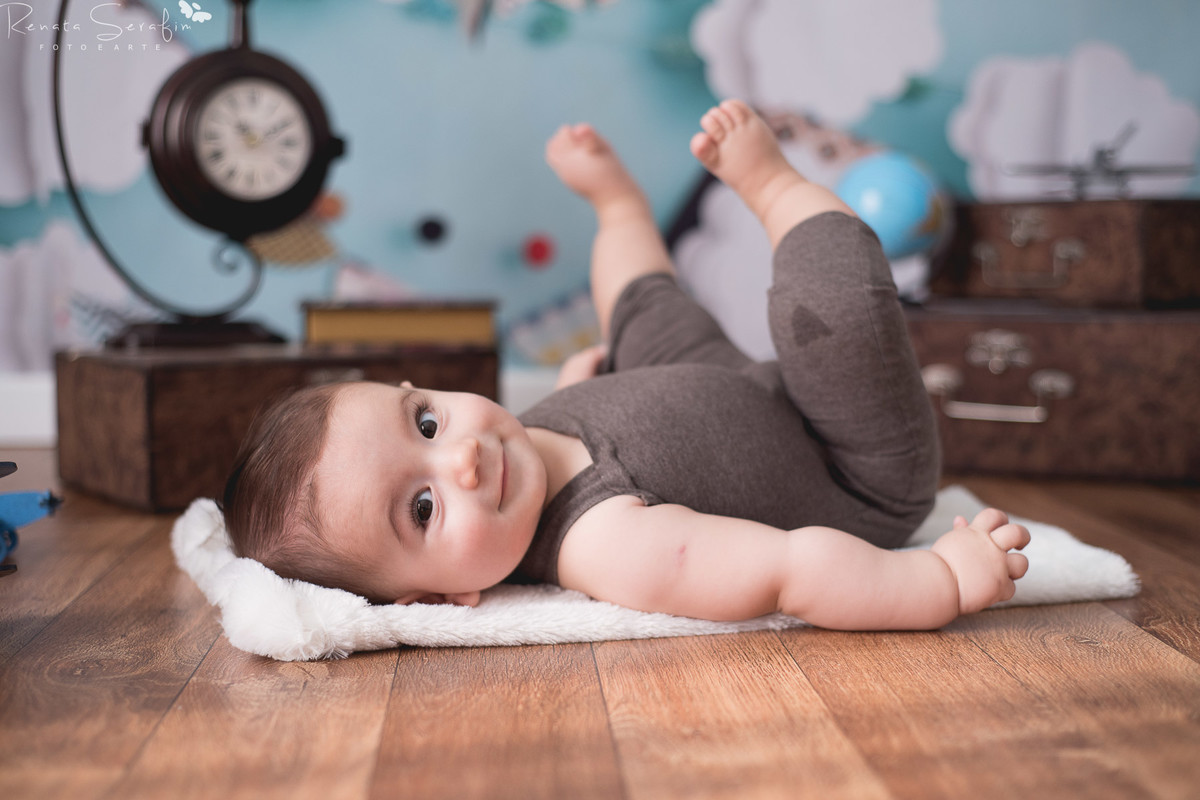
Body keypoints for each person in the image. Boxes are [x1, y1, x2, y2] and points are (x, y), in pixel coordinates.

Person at [222, 100, 1030, 630]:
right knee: (831, 307)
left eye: (427, 422)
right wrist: (940, 583)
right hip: (846, 465)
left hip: (737, 392)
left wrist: (585, 393)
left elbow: (610, 417)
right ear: (439, 599)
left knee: (641, 316)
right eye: (424, 509)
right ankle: (776, 184)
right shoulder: (606, 545)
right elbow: (794, 569)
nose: (461, 457)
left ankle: (617, 209)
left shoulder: (516, 447)